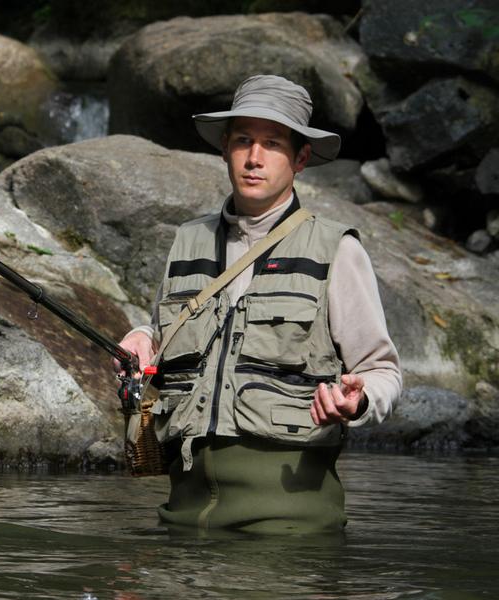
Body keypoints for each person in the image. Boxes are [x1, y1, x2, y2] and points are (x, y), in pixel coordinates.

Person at [117, 75, 402, 534]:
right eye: (243, 141)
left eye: (272, 143)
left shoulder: (337, 249)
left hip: (288, 530)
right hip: (182, 521)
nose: (254, 157)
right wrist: (142, 337)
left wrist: (359, 399)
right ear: (224, 149)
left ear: (300, 159)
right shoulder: (187, 240)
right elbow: (165, 336)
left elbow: (383, 371)